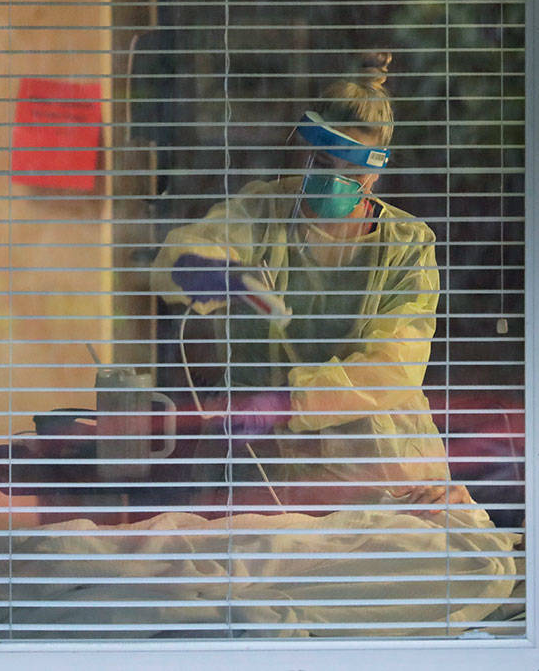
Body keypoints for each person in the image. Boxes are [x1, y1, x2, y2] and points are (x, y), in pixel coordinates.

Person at [150, 52, 476, 516]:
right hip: (268, 470)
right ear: (306, 153)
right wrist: (213, 274)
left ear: (376, 171)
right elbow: (177, 260)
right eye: (324, 163)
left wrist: (286, 401)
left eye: (352, 171)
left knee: (454, 559)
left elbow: (394, 367)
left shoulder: (406, 246)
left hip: (383, 468)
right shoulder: (263, 212)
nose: (334, 180)